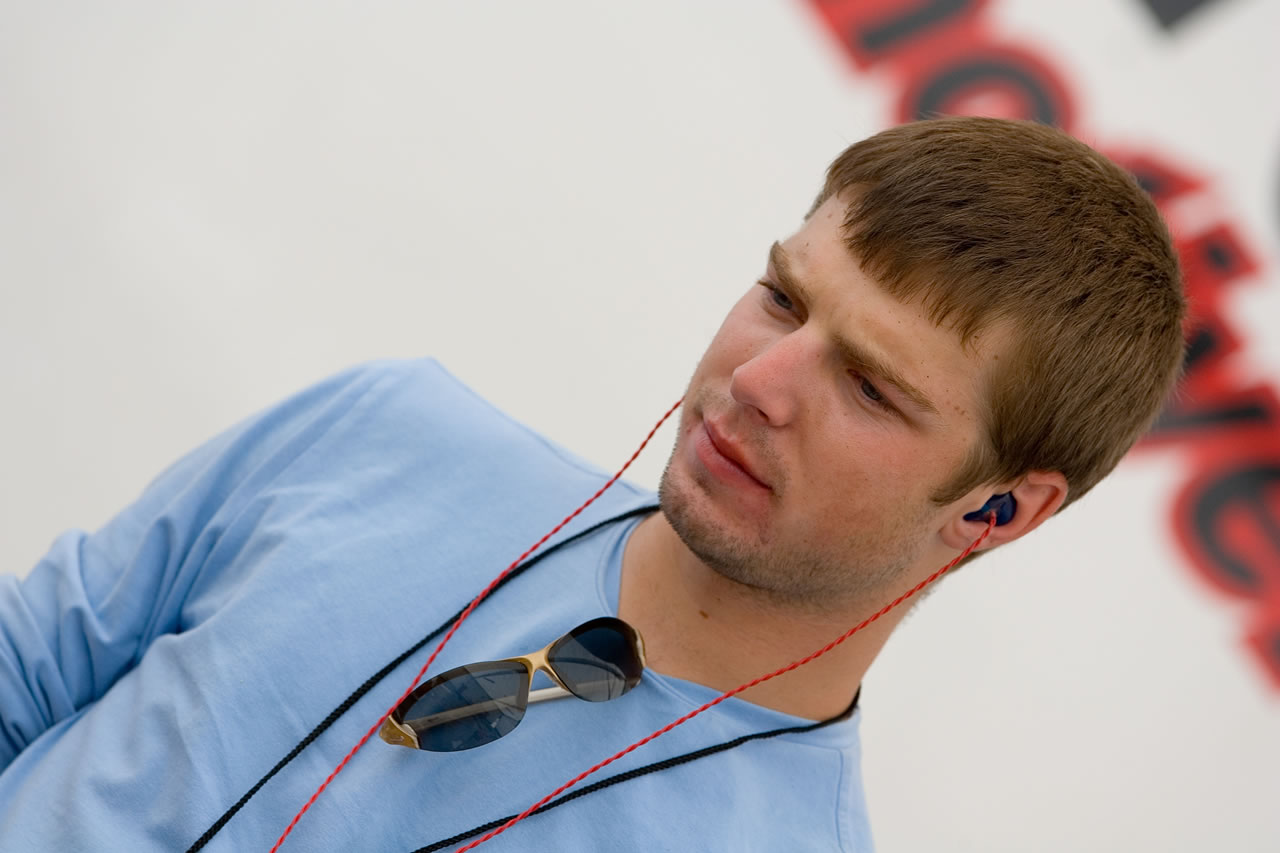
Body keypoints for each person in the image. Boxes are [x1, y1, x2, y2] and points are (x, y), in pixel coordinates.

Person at [0, 116, 1184, 852]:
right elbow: (29, 668)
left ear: (995, 509)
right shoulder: (385, 429)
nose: (755, 380)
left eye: (868, 386)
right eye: (781, 298)